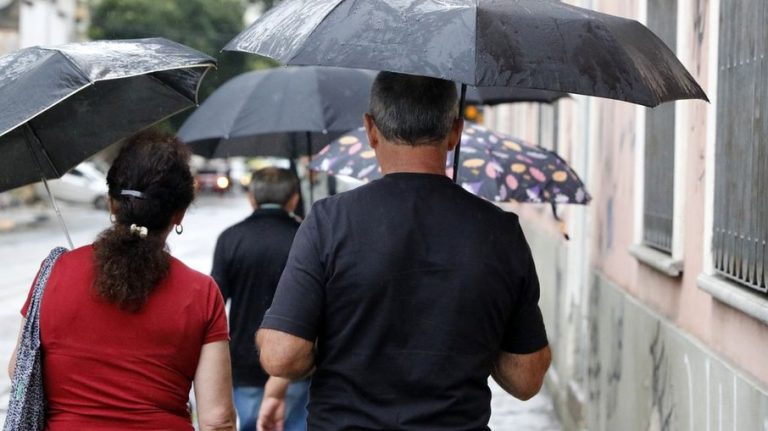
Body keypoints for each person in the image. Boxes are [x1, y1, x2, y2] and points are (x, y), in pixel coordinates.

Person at [255, 71, 552, 431]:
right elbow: (526, 378)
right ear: (456, 131)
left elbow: (282, 356)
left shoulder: (328, 222)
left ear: (370, 129)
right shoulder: (500, 231)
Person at [8, 130, 236, 431]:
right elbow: (217, 420)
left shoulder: (54, 273)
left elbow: (18, 370)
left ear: (112, 204)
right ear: (179, 215)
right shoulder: (201, 292)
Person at [211, 167, 309, 431]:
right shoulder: (307, 238)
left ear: (251, 197)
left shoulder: (231, 238)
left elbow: (215, 304)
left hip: (244, 359)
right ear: (294, 199)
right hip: (295, 360)